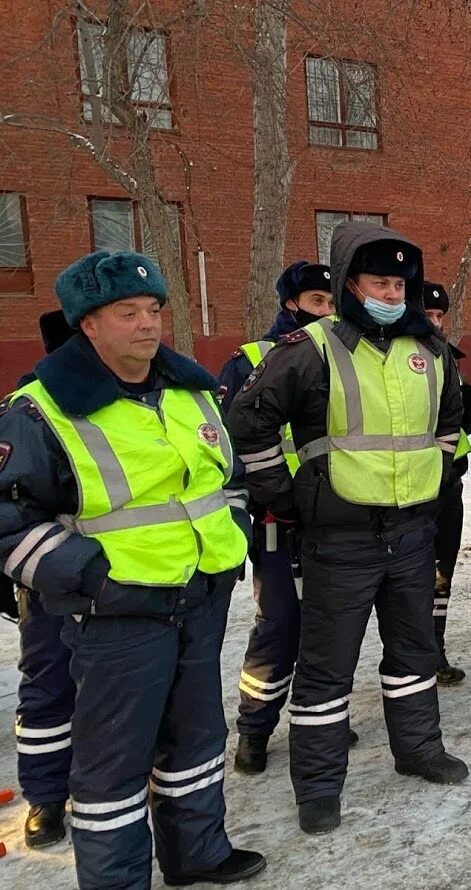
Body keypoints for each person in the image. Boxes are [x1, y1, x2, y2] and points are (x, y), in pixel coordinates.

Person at [0, 251, 265, 887]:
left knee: (196, 739)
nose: (148, 325)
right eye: (128, 313)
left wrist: (231, 535)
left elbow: (222, 480)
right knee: (111, 767)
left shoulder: (189, 390)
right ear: (87, 324)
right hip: (116, 614)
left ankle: (196, 853)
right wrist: (93, 579)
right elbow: (9, 520)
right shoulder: (39, 409)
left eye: (153, 311)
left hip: (198, 597)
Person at [227, 222, 468, 836]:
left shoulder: (432, 351)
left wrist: (436, 475)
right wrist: (288, 494)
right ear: (348, 285)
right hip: (339, 537)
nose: (390, 293)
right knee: (326, 669)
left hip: (411, 530)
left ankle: (418, 750)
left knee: (414, 652)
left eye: (398, 283)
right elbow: (248, 419)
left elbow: (450, 424)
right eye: (377, 282)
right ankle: (318, 786)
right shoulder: (311, 349)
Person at [218, 260, 336, 776]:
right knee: (279, 625)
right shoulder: (250, 360)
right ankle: (255, 729)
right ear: (291, 304)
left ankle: (316, 716)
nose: (328, 313)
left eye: (333, 303)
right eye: (317, 303)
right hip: (277, 519)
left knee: (328, 625)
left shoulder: (345, 356)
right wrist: (272, 500)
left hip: (334, 516)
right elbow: (231, 444)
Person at [6, 309, 76, 849]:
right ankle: (46, 797)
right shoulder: (28, 410)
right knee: (49, 684)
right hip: (52, 581)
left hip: (134, 577)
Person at [421, 281, 471, 686]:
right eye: (427, 315)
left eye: (440, 316)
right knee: (413, 581)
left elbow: (456, 420)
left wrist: (468, 411)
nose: (435, 322)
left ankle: (435, 650)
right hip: (414, 490)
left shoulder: (445, 356)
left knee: (443, 575)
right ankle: (416, 655)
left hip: (450, 486)